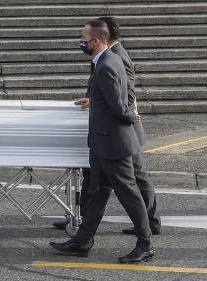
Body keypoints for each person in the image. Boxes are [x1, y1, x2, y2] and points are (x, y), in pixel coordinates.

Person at [49, 19, 154, 264]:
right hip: (101, 143)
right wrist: (95, 101)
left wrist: (131, 115)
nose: (80, 44)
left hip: (113, 144)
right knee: (97, 192)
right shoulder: (106, 60)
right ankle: (83, 239)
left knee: (129, 194)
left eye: (83, 40)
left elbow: (119, 105)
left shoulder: (107, 65)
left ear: (96, 41)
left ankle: (145, 243)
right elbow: (109, 98)